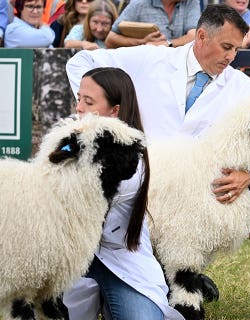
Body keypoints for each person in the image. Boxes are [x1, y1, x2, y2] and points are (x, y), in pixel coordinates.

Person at [66, 4, 250, 319]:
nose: (232, 56)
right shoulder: (151, 59)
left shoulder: (241, 86)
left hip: (206, 185)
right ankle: (177, 275)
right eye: (226, 46)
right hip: (150, 178)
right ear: (202, 37)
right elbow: (81, 61)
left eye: (237, 49)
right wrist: (102, 113)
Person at [62, 67, 184, 320]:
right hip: (72, 258)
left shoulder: (131, 160)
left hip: (119, 259)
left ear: (114, 110)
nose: (79, 108)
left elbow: (84, 200)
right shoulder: (65, 140)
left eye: (89, 101)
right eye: (79, 99)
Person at [104, 0, 199, 48]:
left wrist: (166, 44)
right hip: (146, 68)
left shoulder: (191, 2)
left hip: (179, 67)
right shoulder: (139, 3)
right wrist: (143, 42)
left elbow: (195, 36)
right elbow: (110, 40)